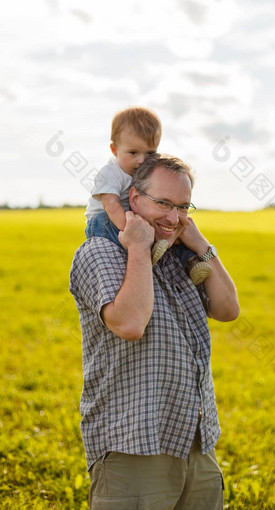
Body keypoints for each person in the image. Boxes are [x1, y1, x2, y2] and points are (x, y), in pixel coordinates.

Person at [69, 153, 240, 510]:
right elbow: (130, 324)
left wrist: (201, 245)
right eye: (163, 203)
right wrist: (137, 247)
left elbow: (228, 310)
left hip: (195, 443)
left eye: (182, 206)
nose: (173, 217)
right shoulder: (99, 252)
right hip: (134, 447)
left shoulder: (181, 258)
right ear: (133, 198)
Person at [84, 106, 211, 285]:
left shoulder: (144, 171)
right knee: (108, 220)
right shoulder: (110, 173)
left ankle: (191, 263)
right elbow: (111, 205)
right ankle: (145, 252)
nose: (142, 160)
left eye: (150, 153)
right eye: (133, 153)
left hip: (132, 218)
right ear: (114, 150)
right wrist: (132, 233)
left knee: (173, 226)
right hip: (105, 222)